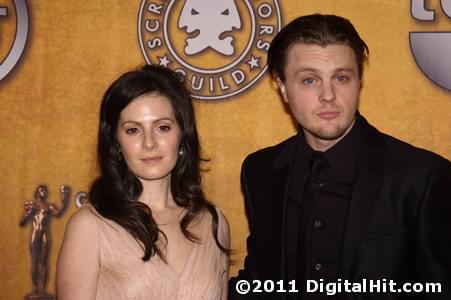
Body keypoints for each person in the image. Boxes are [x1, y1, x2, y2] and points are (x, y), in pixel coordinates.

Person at [229, 14, 451, 299]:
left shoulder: (422, 177)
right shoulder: (261, 170)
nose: (328, 95)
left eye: (341, 78)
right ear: (283, 87)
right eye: (309, 80)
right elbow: (260, 280)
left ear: (359, 82)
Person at [56, 65, 230, 299]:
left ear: (182, 135)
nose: (149, 142)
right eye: (133, 130)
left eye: (162, 127)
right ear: (116, 142)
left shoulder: (213, 223)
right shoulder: (90, 226)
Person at [20, 185, 70, 297]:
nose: (44, 192)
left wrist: (65, 201)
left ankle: (42, 289)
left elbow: (58, 213)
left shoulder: (49, 206)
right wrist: (27, 214)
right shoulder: (32, 205)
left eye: (45, 191)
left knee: (43, 262)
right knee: (34, 262)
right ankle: (35, 288)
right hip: (35, 234)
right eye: (42, 190)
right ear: (37, 192)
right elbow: (22, 222)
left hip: (44, 235)